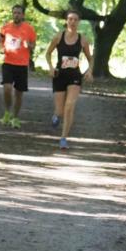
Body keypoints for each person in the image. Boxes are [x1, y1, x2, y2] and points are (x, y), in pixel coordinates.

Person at [45, 9, 93, 150]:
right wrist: (50, 67)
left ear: (79, 22)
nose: (72, 22)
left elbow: (91, 59)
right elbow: (48, 54)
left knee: (70, 106)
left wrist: (90, 70)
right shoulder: (59, 36)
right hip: (59, 75)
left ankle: (64, 138)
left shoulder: (82, 39)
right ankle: (56, 115)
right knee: (60, 110)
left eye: (75, 19)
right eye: (70, 19)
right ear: (66, 21)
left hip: (74, 76)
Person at [0, 4, 36, 128]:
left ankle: (15, 117)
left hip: (22, 64)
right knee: (7, 88)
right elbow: (1, 42)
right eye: (14, 12)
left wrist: (28, 45)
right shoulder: (6, 28)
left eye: (19, 13)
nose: (16, 15)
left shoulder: (29, 29)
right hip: (8, 63)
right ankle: (7, 112)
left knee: (19, 93)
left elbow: (33, 46)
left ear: (23, 15)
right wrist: (1, 49)